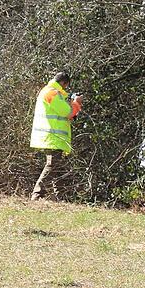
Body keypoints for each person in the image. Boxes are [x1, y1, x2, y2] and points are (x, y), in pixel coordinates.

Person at [29, 72, 83, 200]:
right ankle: (37, 194)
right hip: (52, 136)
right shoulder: (52, 93)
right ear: (64, 83)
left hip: (51, 136)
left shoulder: (50, 92)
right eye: (66, 86)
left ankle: (61, 197)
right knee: (52, 165)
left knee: (58, 167)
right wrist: (76, 103)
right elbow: (68, 112)